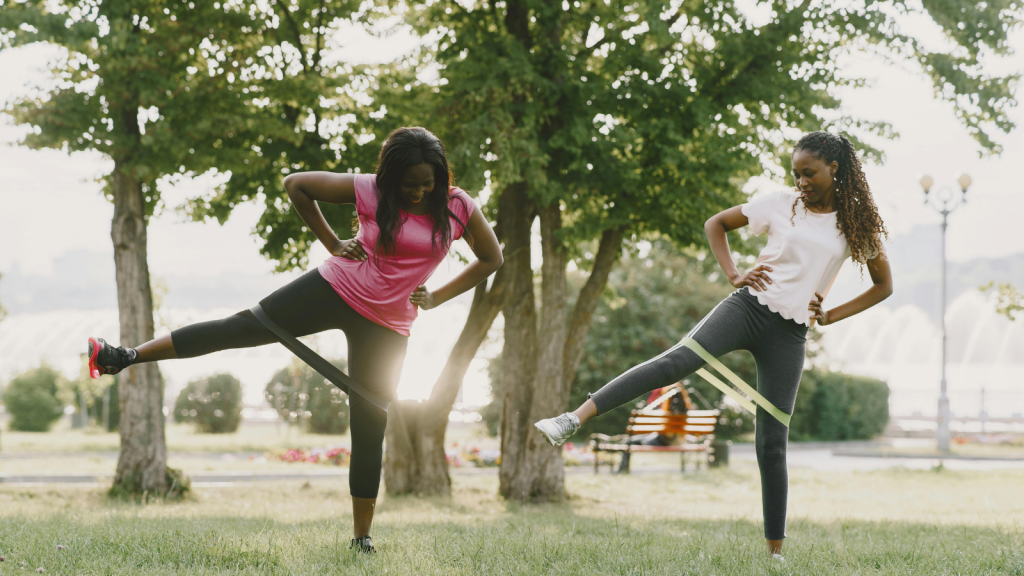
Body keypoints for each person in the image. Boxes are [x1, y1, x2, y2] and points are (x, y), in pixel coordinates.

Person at [86, 127, 503, 553]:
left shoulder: (457, 208)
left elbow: (491, 258)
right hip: (335, 288)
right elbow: (297, 185)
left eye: (426, 184)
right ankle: (126, 355)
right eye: (408, 183)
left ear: (441, 177)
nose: (417, 192)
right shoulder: (371, 191)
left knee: (368, 425)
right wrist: (334, 243)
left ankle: (362, 538)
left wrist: (435, 296)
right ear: (390, 176)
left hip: (389, 324)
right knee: (241, 327)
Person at [534, 131, 892, 560]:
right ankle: (572, 419)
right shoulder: (780, 203)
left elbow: (883, 285)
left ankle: (775, 555)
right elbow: (716, 224)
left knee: (772, 440)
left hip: (791, 332)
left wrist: (832, 314)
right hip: (748, 308)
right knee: (674, 363)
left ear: (835, 168)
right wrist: (734, 273)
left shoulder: (854, 223)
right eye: (796, 173)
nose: (801, 181)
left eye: (809, 173)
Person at [615, 384, 692, 473]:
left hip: (663, 441)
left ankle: (622, 469)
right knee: (639, 439)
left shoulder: (664, 412)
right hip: (678, 441)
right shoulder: (685, 411)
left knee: (627, 441)